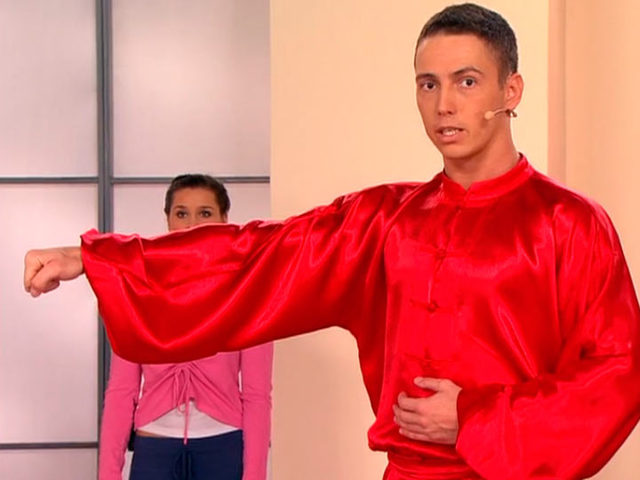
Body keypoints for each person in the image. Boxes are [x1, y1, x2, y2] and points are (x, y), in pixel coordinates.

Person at [24, 4, 640, 479]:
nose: (444, 104)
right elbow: (255, 256)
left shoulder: (570, 222)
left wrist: (475, 419)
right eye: (428, 84)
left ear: (511, 92)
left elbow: (618, 373)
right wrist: (95, 259)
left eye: (467, 81)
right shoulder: (384, 221)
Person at [98, 174, 273, 480]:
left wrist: (255, 475)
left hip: (223, 446)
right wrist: (108, 475)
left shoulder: (248, 294)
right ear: (168, 220)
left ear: (224, 220)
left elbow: (257, 395)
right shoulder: (137, 291)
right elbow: (121, 391)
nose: (192, 225)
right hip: (154, 448)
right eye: (182, 214)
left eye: (205, 213)